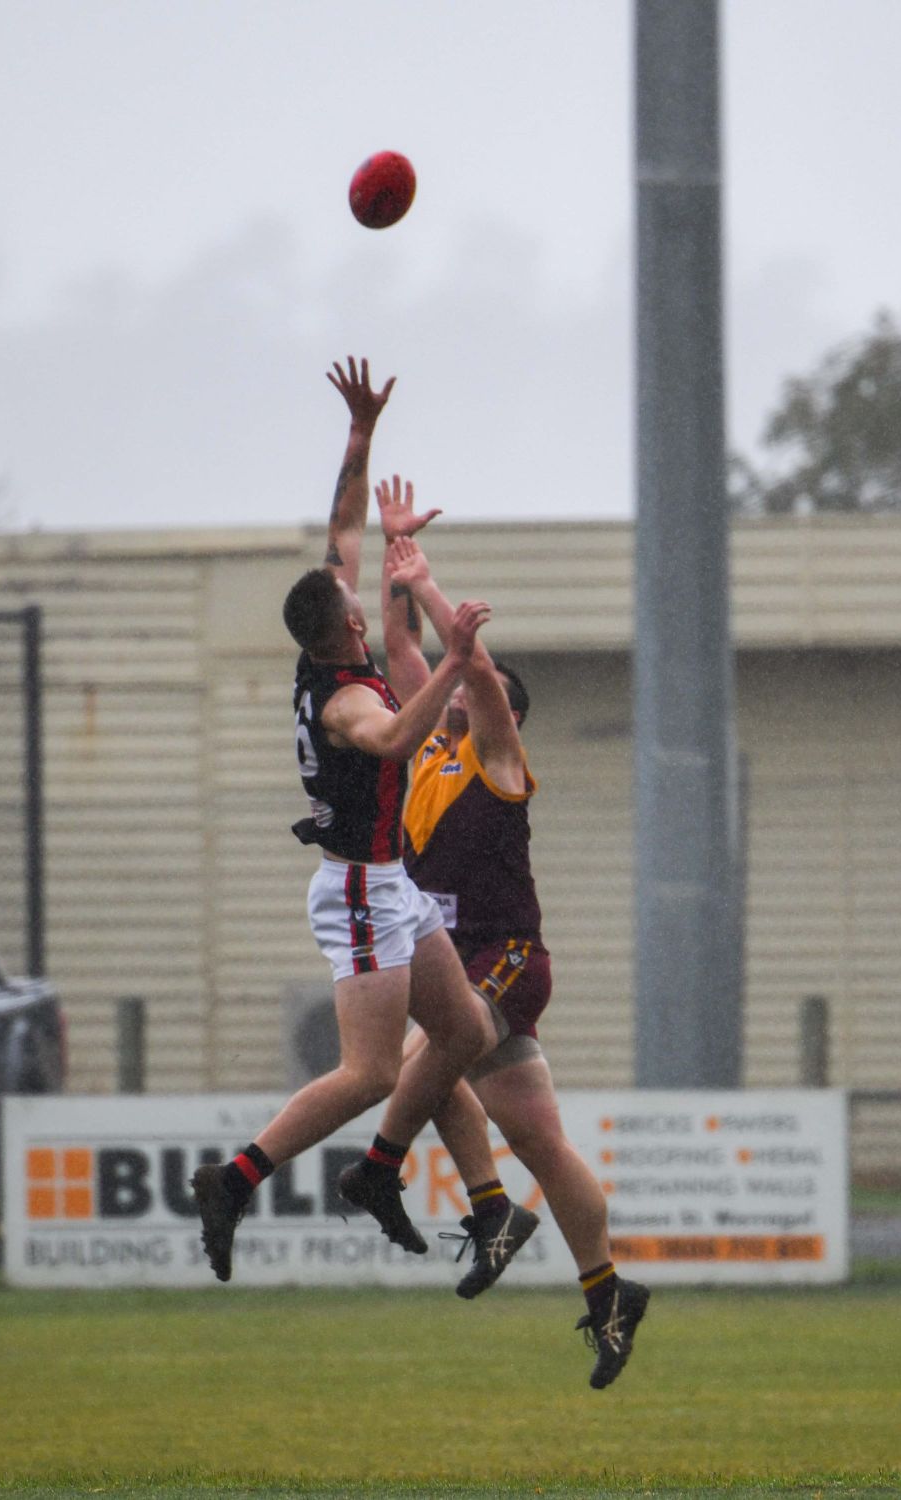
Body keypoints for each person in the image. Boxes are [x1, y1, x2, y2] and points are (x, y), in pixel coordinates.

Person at [191, 359, 503, 1281]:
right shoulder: (342, 703)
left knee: (462, 1035)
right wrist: (455, 661)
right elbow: (400, 736)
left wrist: (361, 432)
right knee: (368, 1072)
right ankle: (237, 1177)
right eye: (357, 613)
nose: (366, 611)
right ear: (340, 634)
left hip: (391, 884)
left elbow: (341, 523)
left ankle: (410, 1183)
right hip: (360, 893)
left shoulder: (330, 629)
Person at [364, 479, 650, 1391]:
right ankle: (609, 1290)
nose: (451, 692)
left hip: (506, 959)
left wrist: (445, 600)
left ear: (507, 720)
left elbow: (472, 670)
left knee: (429, 1051)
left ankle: (405, 1177)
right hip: (454, 961)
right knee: (537, 1138)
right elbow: (403, 642)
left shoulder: (498, 756)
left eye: (477, 690)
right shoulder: (433, 744)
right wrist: (396, 554)